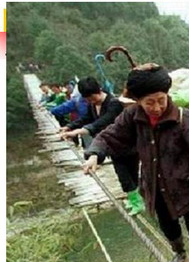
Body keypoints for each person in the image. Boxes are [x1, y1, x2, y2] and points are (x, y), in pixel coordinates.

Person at [82, 64, 189, 262]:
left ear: (167, 94)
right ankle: (179, 253)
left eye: (161, 100)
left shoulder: (185, 119)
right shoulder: (132, 117)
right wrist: (95, 154)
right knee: (167, 224)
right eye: (149, 102)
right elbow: (110, 135)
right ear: (138, 101)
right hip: (155, 186)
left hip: (187, 186)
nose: (156, 107)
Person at [59, 77, 144, 216]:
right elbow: (86, 118)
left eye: (92, 98)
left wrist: (79, 131)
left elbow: (103, 122)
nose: (91, 101)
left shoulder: (113, 104)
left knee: (129, 174)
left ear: (98, 90)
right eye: (88, 99)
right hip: (111, 145)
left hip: (126, 144)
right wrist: (69, 126)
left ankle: (137, 201)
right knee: (124, 174)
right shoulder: (93, 105)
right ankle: (134, 199)